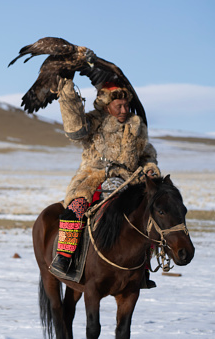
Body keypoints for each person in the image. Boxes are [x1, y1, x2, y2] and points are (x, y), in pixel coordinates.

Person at [49, 78, 160, 288]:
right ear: (107, 105)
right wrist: (68, 96)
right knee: (76, 208)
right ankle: (64, 258)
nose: (124, 109)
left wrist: (150, 170)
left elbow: (147, 156)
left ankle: (142, 268)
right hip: (94, 178)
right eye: (119, 105)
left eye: (127, 105)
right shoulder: (94, 122)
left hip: (129, 180)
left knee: (149, 215)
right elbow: (75, 130)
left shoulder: (136, 126)